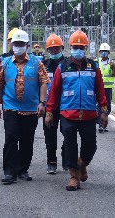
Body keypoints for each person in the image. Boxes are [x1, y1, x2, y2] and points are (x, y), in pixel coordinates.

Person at [46, 30, 108, 191]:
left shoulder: (93, 67)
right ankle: (74, 176)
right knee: (70, 146)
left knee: (91, 146)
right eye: (75, 46)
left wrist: (103, 110)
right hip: (68, 113)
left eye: (81, 47)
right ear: (70, 47)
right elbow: (54, 91)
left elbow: (100, 90)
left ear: (85, 49)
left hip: (88, 114)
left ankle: (81, 165)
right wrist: (49, 111)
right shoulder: (63, 67)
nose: (78, 49)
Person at [0, 29, 49, 185]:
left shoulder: (36, 62)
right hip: (10, 107)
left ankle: (22, 169)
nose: (18, 47)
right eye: (15, 44)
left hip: (30, 108)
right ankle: (9, 172)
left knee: (27, 140)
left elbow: (44, 82)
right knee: (11, 138)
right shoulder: (4, 63)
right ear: (11, 44)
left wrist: (42, 102)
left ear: (27, 45)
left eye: (21, 44)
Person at [41, 34, 66, 175]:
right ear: (48, 50)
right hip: (49, 107)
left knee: (68, 133)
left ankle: (65, 154)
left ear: (62, 48)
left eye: (57, 48)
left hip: (66, 105)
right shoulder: (43, 66)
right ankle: (51, 162)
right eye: (51, 49)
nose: (54, 51)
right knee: (49, 136)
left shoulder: (68, 64)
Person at [97, 42, 115, 133]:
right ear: (100, 52)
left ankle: (103, 123)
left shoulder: (111, 63)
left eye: (105, 51)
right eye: (102, 51)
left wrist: (114, 68)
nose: (104, 53)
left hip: (108, 88)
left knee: (107, 106)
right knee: (99, 106)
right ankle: (101, 124)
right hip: (98, 87)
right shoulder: (96, 62)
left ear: (108, 52)